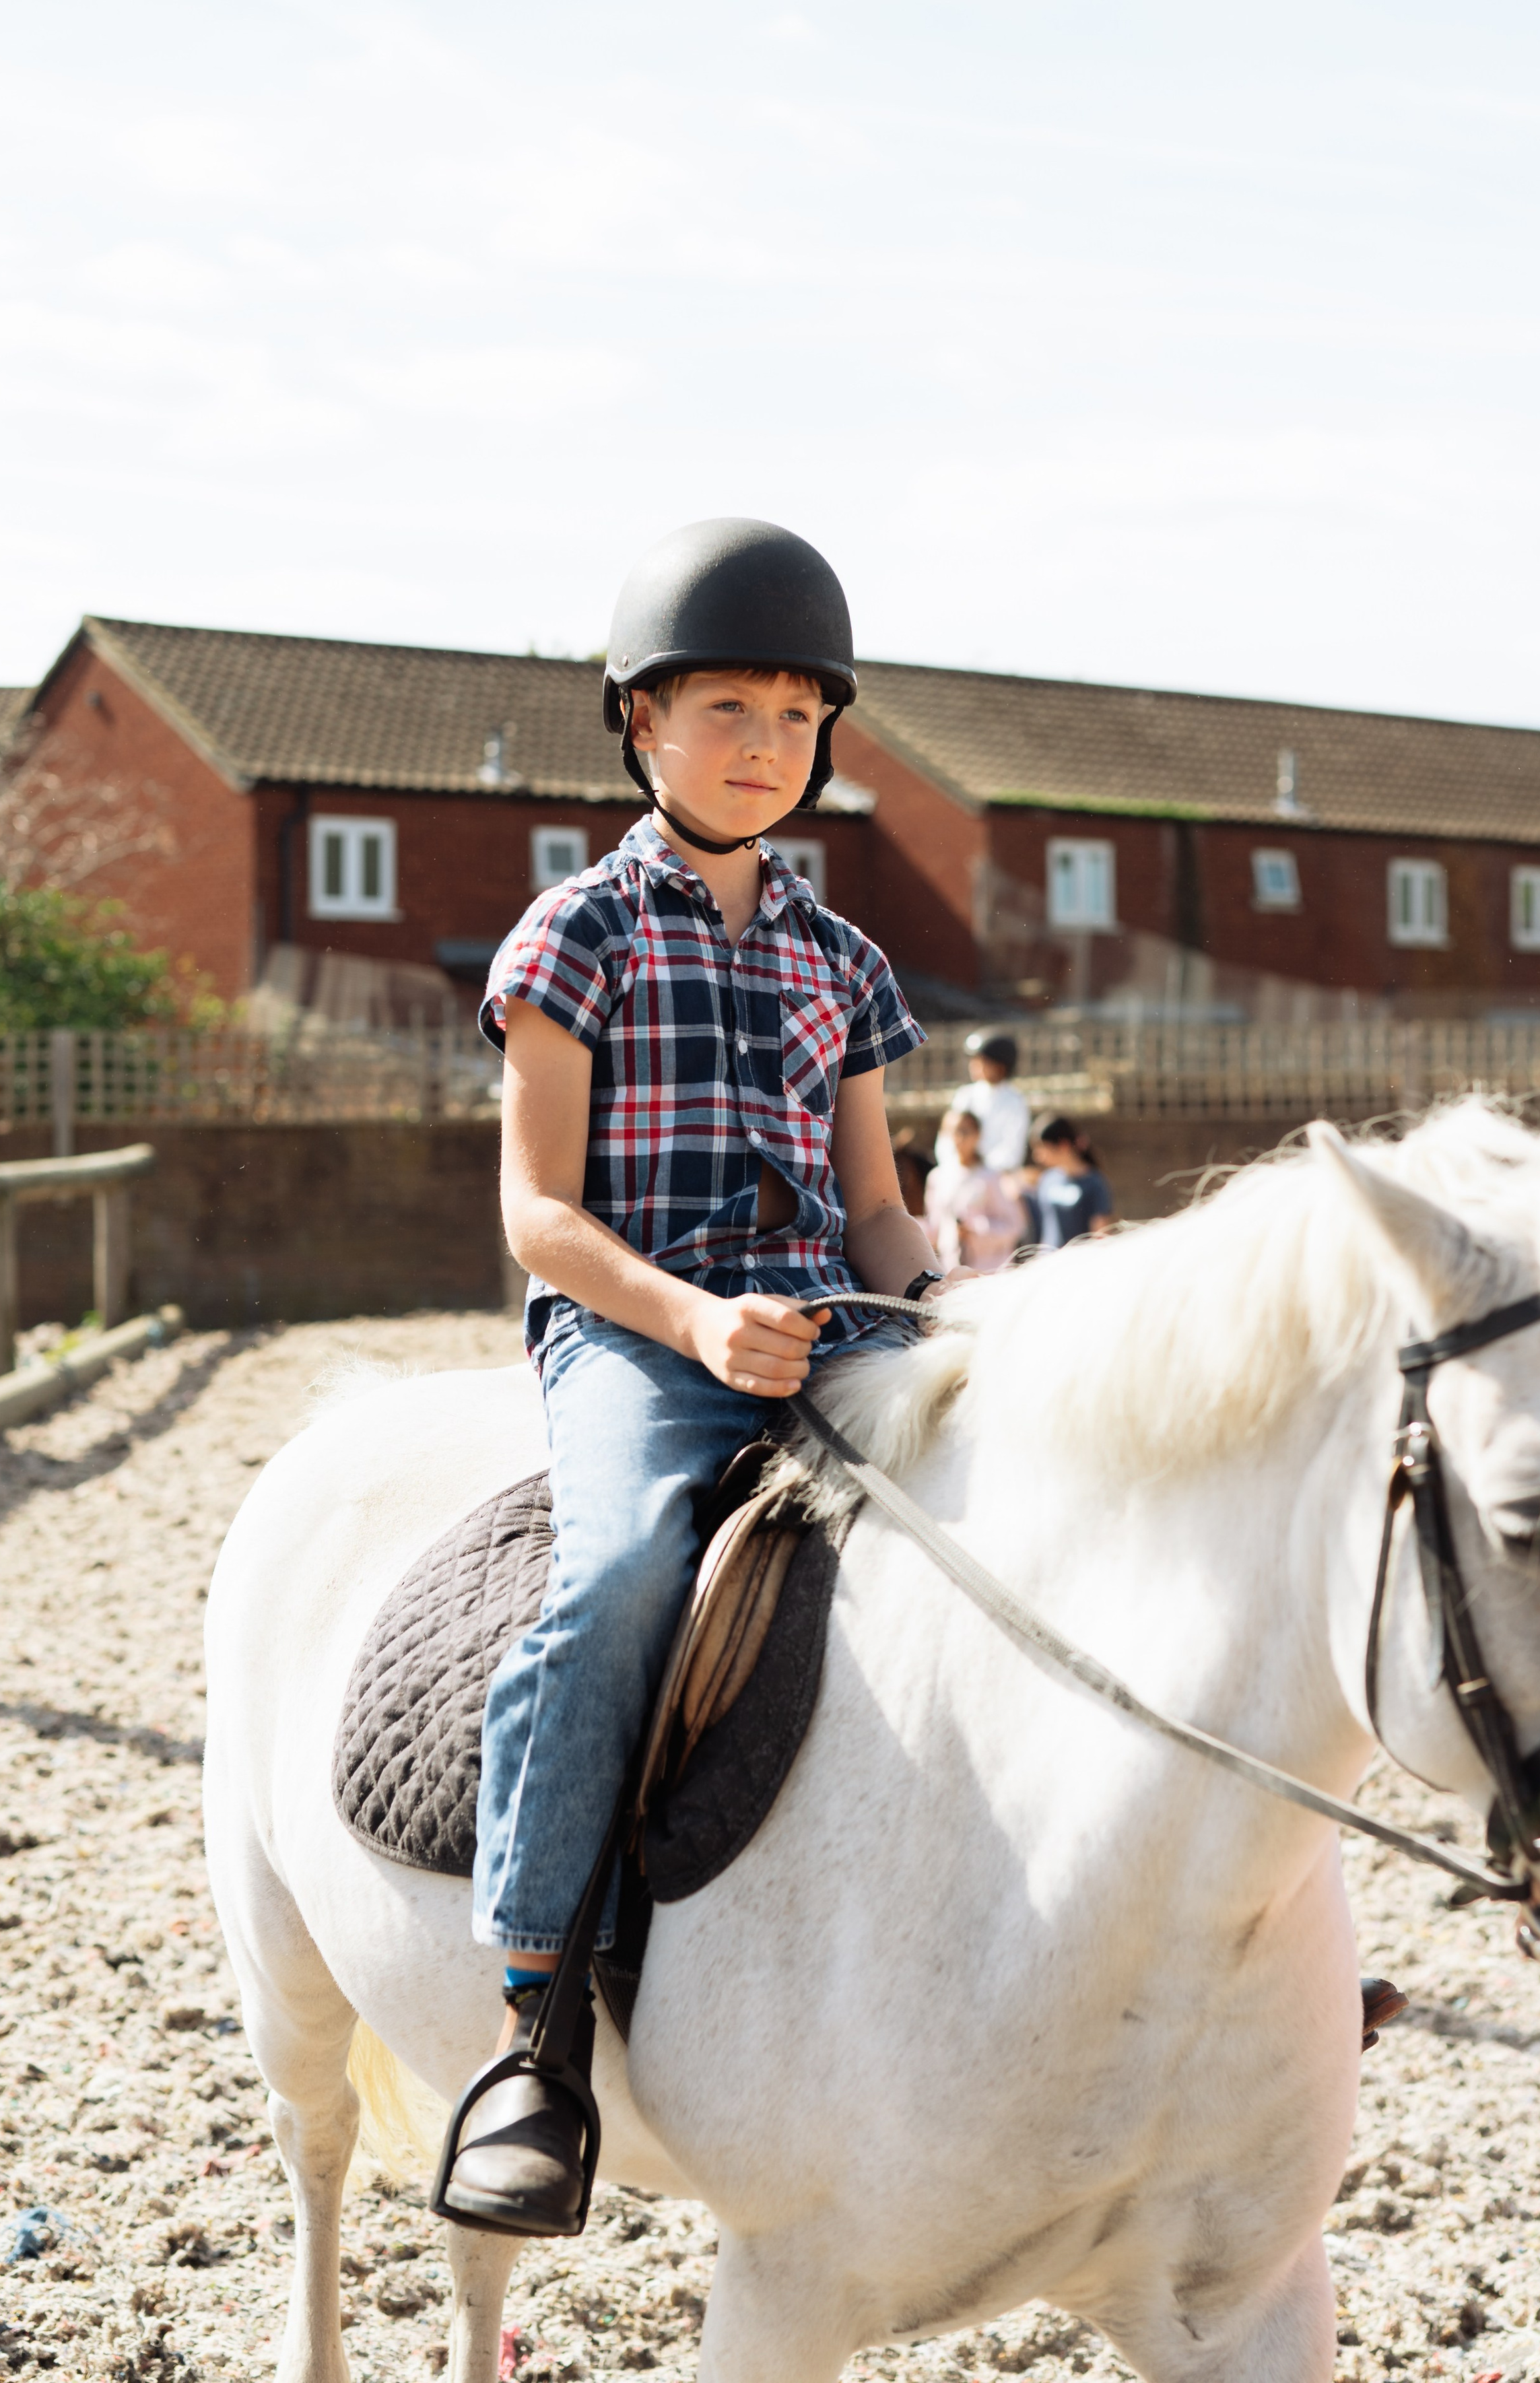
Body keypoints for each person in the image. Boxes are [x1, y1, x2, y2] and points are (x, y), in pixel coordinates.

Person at [438, 516, 966, 2237]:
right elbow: (535, 1213)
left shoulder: (844, 962)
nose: (761, 744)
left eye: (795, 717)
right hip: (639, 1335)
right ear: (640, 724)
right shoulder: (569, 934)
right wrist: (688, 1322)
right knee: (615, 1586)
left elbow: (877, 1209)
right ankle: (534, 2022)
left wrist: (957, 1299)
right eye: (723, 706)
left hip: (832, 1319)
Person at [923, 1106, 1026, 1275]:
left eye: (964, 1132)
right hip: (950, 1270)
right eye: (952, 1132)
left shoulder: (992, 1177)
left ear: (977, 1135)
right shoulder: (937, 1177)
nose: (958, 1139)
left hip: (988, 1270)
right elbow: (935, 1226)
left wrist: (976, 1230)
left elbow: (1015, 1226)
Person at [1026, 1112, 1115, 1247]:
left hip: (1077, 1263)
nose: (1038, 1156)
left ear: (1063, 1145)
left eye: (1042, 1148)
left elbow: (1100, 1235)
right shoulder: (1048, 1180)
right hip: (1049, 1262)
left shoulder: (1094, 1183)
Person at [950, 1029, 1030, 1171]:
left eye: (981, 1060)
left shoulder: (1015, 1101)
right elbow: (948, 1136)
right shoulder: (965, 1095)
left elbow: (1013, 1150)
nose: (973, 1065)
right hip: (962, 1169)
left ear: (1000, 1065)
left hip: (999, 1175)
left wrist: (982, 1169)